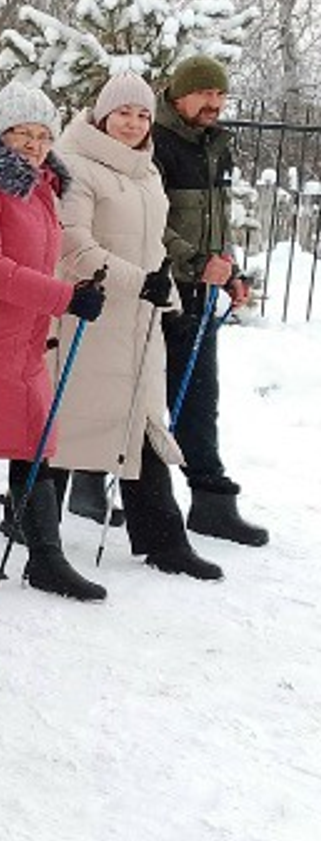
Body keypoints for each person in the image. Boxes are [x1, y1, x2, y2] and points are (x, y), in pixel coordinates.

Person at [0, 83, 108, 601]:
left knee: (35, 440)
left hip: (24, 338)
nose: (33, 145)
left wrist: (70, 291)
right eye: (21, 133)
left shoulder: (41, 187)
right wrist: (63, 298)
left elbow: (36, 259)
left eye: (42, 135)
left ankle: (45, 558)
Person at [51, 72, 222, 580]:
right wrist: (138, 281)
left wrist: (163, 280)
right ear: (103, 114)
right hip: (91, 315)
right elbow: (72, 247)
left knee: (142, 422)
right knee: (64, 425)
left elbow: (152, 241)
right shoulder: (75, 166)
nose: (133, 122)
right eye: (123, 112)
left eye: (143, 114)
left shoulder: (146, 172)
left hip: (140, 321)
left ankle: (162, 538)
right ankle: (32, 527)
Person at [152, 55, 268, 546]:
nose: (214, 104)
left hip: (200, 289)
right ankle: (85, 488)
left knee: (200, 397)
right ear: (179, 95)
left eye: (220, 95)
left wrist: (228, 270)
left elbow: (214, 221)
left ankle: (210, 501)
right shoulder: (157, 143)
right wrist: (196, 262)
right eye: (204, 94)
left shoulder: (215, 145)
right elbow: (148, 221)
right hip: (160, 288)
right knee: (135, 394)